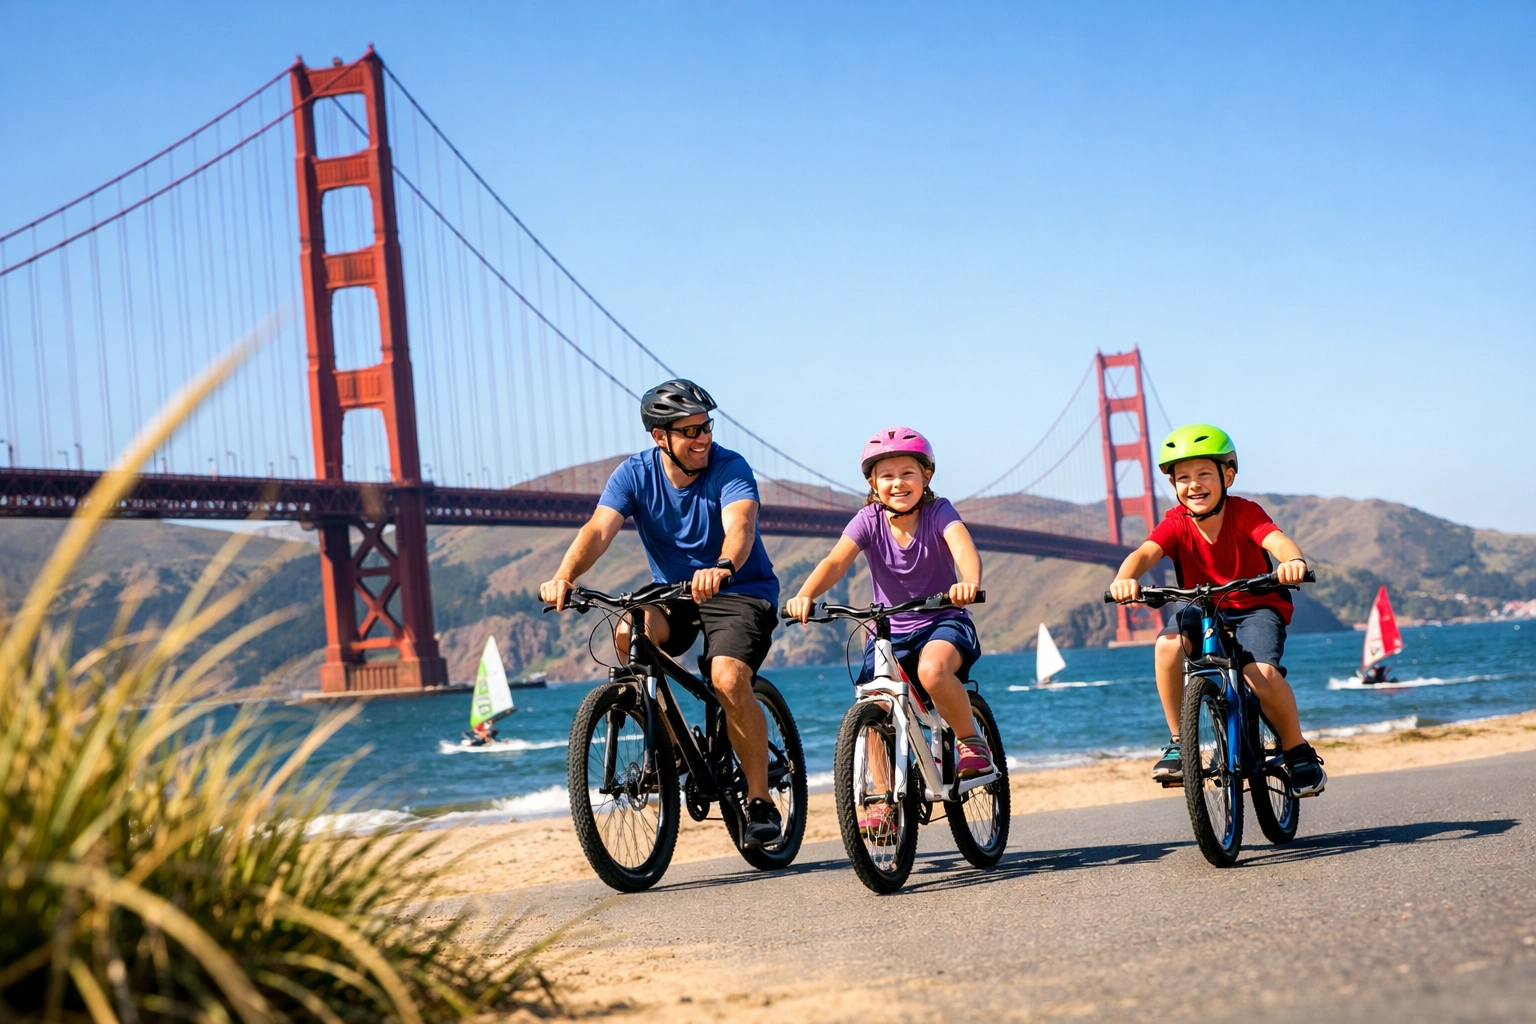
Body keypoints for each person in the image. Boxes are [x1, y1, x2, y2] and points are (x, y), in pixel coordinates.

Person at [538, 379, 784, 847]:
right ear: (660, 438)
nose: (703, 438)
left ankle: (759, 802)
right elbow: (599, 529)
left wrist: (724, 565)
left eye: (706, 427)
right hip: (674, 593)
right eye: (690, 431)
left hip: (739, 589)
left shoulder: (730, 467)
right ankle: (670, 748)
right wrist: (565, 575)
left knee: (728, 678)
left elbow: (741, 524)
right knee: (628, 634)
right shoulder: (633, 475)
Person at [1108, 424, 1327, 797]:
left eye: (1204, 474)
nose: (1194, 484)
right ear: (1173, 485)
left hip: (1256, 606)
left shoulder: (1244, 512)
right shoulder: (1175, 521)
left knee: (1258, 672)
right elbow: (1145, 552)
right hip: (1201, 605)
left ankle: (1296, 748)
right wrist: (1123, 579)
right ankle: (1179, 741)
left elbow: (1276, 541)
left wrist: (1292, 561)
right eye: (1183, 478)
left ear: (1227, 476)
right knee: (1166, 648)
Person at [784, 427, 988, 798]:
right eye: (887, 476)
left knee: (932, 670)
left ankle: (971, 741)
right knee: (874, 704)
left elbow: (963, 548)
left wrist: (968, 582)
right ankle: (882, 799)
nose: (898, 483)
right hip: (887, 631)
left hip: (944, 620)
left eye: (907, 473)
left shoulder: (938, 511)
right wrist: (805, 594)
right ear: (872, 483)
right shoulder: (868, 520)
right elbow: (835, 561)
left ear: (926, 476)